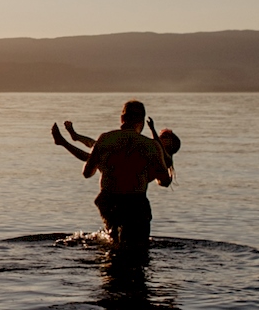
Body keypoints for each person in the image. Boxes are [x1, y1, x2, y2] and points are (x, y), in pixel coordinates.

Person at [50, 100, 176, 248]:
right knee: (137, 250)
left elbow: (87, 173)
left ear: (122, 119)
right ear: (141, 121)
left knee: (113, 245)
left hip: (109, 201)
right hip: (136, 203)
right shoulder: (151, 146)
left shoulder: (105, 139)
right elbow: (165, 182)